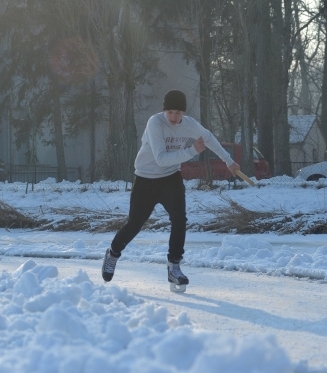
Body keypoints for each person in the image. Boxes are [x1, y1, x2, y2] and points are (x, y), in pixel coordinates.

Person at [102, 89, 240, 291]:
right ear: (164, 111)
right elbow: (161, 159)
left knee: (179, 219)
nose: (174, 117)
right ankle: (112, 254)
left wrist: (229, 161)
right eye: (170, 112)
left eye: (178, 113)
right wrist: (192, 151)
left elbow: (208, 137)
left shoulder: (189, 124)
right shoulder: (155, 123)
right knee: (134, 224)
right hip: (146, 178)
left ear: (183, 113)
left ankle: (174, 266)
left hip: (170, 179)